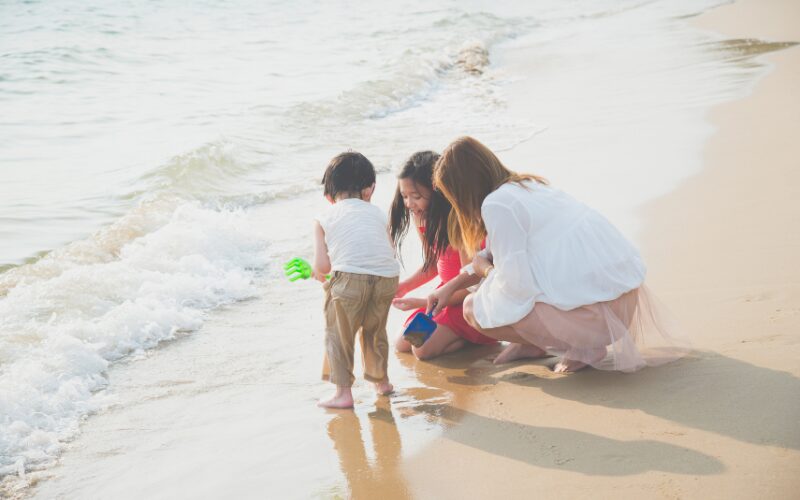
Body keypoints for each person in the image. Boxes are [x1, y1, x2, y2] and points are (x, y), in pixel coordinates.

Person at [425, 137, 688, 373]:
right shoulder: (525, 185)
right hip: (619, 301)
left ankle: (582, 347)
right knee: (499, 293)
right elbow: (493, 253)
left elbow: (516, 286)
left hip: (595, 319)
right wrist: (451, 286)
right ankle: (533, 345)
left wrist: (484, 271)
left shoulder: (496, 205)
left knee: (474, 308)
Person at [388, 151, 497, 360]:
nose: (409, 204)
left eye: (416, 197)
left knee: (421, 350)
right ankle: (451, 334)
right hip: (443, 297)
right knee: (403, 343)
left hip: (467, 299)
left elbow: (471, 284)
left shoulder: (459, 222)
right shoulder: (422, 220)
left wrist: (421, 302)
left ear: (437, 192)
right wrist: (404, 287)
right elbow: (432, 264)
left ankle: (474, 336)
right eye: (404, 196)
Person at [312, 151, 400, 408]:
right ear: (369, 189)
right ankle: (381, 383)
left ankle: (343, 394)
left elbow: (322, 266)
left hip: (349, 280)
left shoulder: (323, 217)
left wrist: (318, 274)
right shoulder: (379, 213)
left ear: (328, 196)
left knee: (338, 334)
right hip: (387, 278)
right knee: (375, 331)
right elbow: (390, 251)